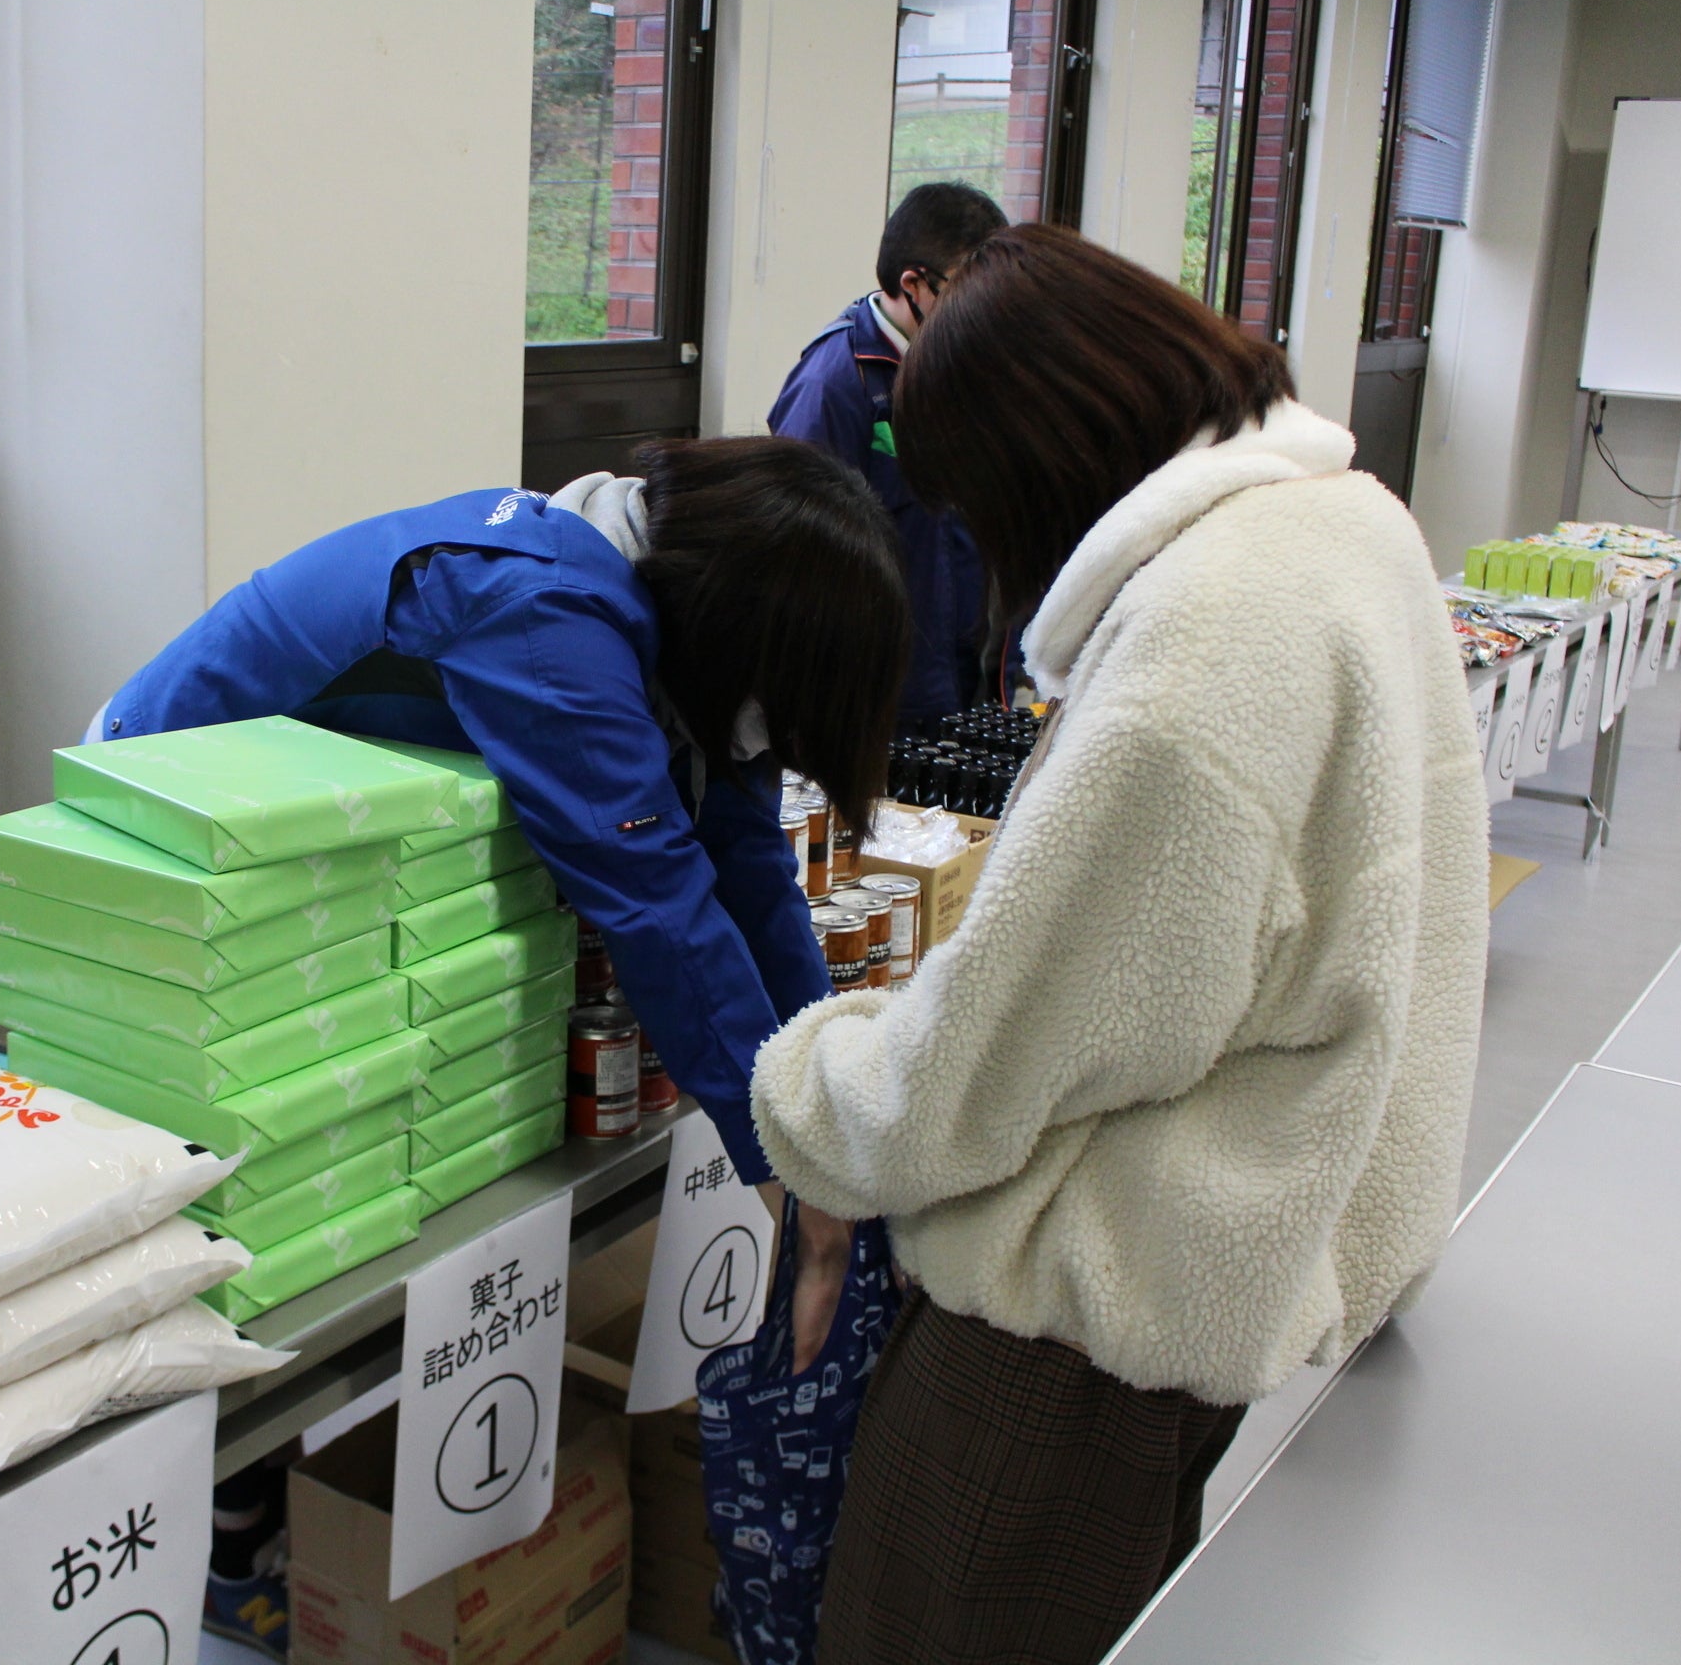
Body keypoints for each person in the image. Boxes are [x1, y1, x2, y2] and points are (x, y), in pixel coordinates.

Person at [749, 226, 1489, 1665]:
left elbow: (993, 1059)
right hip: (1231, 1259)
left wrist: (807, 1092)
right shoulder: (1346, 522)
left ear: (1039, 460)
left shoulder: (1200, 649)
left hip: (1073, 1336)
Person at [93, 437, 906, 1187]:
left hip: (322, 837)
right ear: (739, 631)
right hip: (161, 801)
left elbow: (750, 863)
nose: (773, 742)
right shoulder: (546, 613)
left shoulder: (688, 612)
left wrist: (833, 1085)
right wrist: (784, 1166)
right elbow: (660, 902)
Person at [768, 180, 1008, 726]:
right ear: (913, 284)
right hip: (879, 693)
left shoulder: (964, 365)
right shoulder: (834, 384)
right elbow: (796, 561)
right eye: (969, 291)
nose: (986, 310)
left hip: (962, 675)